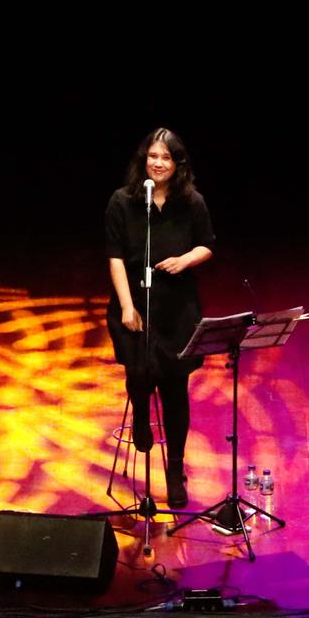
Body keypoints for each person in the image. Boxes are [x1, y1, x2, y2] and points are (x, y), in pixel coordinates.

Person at [104, 128, 215, 508]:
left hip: (177, 307)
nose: (158, 163)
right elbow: (115, 255)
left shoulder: (192, 201)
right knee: (140, 375)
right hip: (135, 300)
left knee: (174, 390)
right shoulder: (123, 201)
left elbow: (207, 245)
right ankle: (139, 412)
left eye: (166, 158)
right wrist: (126, 306)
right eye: (153, 156)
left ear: (177, 163)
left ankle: (175, 470)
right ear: (143, 159)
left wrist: (185, 260)